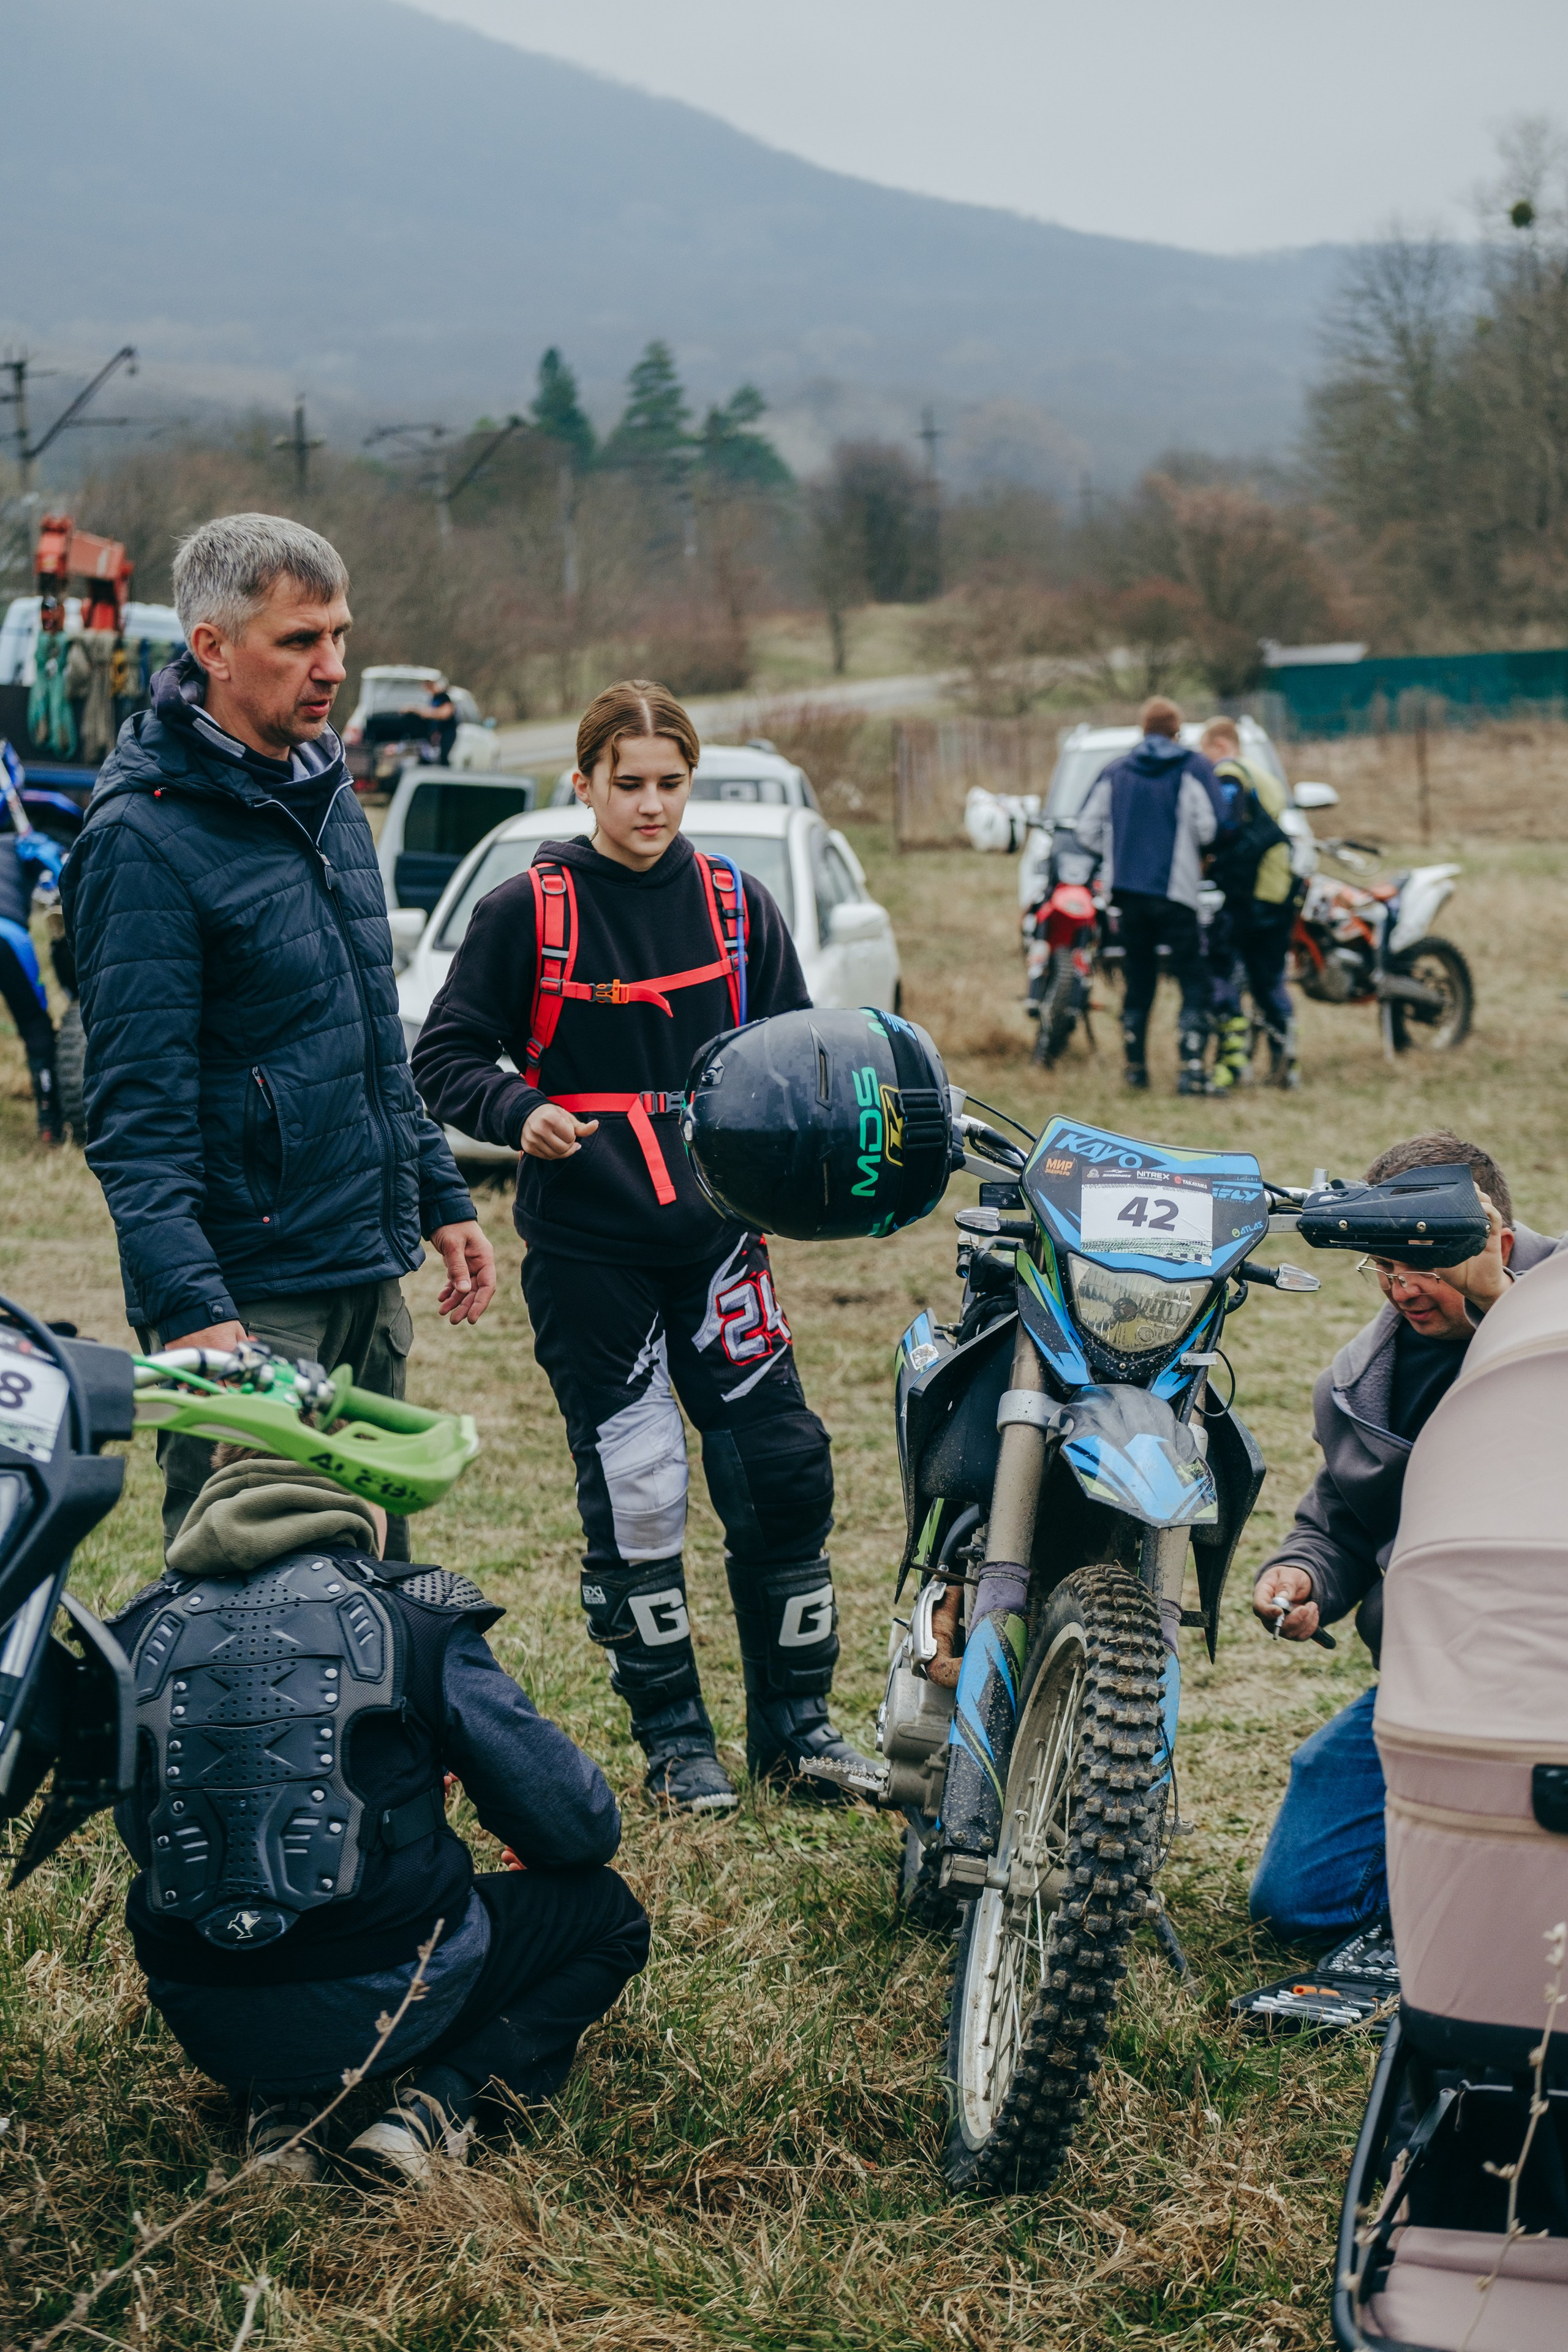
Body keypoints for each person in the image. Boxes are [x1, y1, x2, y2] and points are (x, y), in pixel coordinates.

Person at [413, 678, 872, 1817]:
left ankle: (799, 1734)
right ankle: (677, 1747)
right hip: (590, 1251)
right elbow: (444, 1057)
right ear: (585, 784)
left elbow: (795, 1056)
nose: (653, 805)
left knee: (782, 1470)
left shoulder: (738, 906)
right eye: (630, 784)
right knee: (640, 1485)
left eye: (672, 783)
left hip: (720, 1244)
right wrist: (518, 1109)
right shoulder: (528, 909)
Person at [61, 514, 496, 1559]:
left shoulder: (326, 788)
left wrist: (439, 1194)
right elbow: (134, 1121)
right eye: (300, 641)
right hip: (250, 1301)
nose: (333, 667)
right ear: (212, 647)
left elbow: (366, 1035)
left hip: (362, 1273)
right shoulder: (141, 839)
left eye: (339, 635)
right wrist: (196, 1314)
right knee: (250, 1604)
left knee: (369, 1592)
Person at [107, 1444, 648, 2184]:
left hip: (205, 2011)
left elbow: (145, 1838)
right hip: (398, 1992)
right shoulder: (415, 1611)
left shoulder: (132, 1631)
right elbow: (579, 1823)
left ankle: (281, 2110)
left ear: (216, 1487)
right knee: (609, 1915)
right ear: (359, 1492)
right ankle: (438, 2107)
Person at [1248, 1131, 1564, 1941]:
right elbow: (1341, 1524)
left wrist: (1502, 1302)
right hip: (1448, 1684)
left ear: (1496, 1243)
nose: (1401, 1290)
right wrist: (1305, 1574)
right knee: (1301, 1900)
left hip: (1555, 1667)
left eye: (1422, 1263)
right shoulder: (1362, 1386)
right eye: (1384, 1266)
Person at [1074, 696, 1231, 1096]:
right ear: (1177, 731)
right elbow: (1212, 827)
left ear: (1143, 730)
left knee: (1139, 978)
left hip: (1127, 893)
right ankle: (1190, 1067)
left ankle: (1135, 1068)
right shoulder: (1193, 767)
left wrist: (1115, 853)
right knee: (1192, 977)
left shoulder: (1116, 771)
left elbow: (1086, 829)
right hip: (1177, 892)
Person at [1197, 717, 1298, 1094]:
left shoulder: (1230, 773)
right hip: (1279, 890)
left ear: (1221, 745)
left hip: (1249, 893)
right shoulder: (1265, 775)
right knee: (1269, 980)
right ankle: (1286, 1063)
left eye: (1206, 752)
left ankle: (1232, 1066)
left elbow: (1226, 828)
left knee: (1222, 973)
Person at [0, 748, 63, 1142]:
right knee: (35, 1026)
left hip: (8, 932)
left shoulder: (20, 844)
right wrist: (49, 859)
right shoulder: (23, 845)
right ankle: (49, 1125)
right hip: (8, 936)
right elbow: (67, 880)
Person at [413, 681, 459, 764]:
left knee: (444, 756)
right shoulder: (432, 698)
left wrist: (425, 712)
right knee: (427, 757)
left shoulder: (444, 697)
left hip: (447, 731)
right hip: (435, 732)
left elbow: (446, 713)